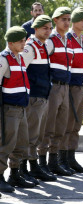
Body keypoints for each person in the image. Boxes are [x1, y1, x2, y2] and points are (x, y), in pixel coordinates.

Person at [37, 7, 74, 176]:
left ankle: (54, 161)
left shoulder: (68, 40)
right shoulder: (51, 40)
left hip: (65, 87)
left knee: (61, 126)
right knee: (48, 126)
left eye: (68, 19)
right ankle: (42, 161)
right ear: (56, 21)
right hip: (54, 87)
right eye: (63, 19)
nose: (67, 22)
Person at [21, 15, 57, 183]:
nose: (48, 31)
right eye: (45, 28)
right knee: (29, 135)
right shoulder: (30, 47)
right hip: (33, 96)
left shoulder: (42, 45)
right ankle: (22, 169)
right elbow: (21, 71)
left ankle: (33, 167)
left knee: (37, 135)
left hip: (42, 95)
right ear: (36, 29)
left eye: (50, 28)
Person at [0, 26, 35, 193]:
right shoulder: (4, 59)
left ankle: (15, 174)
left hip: (21, 109)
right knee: (6, 144)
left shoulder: (19, 58)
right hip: (9, 109)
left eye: (25, 40)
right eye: (21, 41)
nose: (24, 43)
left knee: (21, 143)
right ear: (11, 42)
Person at [59, 7, 83, 173]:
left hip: (82, 86)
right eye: (82, 20)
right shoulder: (68, 38)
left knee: (77, 123)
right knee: (68, 123)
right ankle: (62, 158)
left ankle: (71, 157)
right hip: (71, 87)